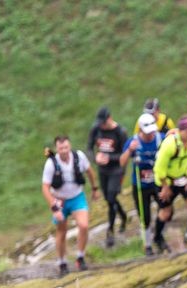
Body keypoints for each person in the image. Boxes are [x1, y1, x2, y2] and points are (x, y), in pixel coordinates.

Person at [41, 135, 99, 274]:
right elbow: (45, 187)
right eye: (61, 148)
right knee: (62, 230)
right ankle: (62, 262)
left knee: (84, 225)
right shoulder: (51, 163)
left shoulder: (79, 157)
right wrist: (54, 207)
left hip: (77, 197)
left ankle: (80, 256)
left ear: (70, 146)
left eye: (66, 147)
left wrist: (94, 188)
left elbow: (90, 172)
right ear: (57, 148)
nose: (64, 151)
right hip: (60, 200)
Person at [152, 116, 187, 251]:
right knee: (166, 212)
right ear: (180, 131)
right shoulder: (169, 145)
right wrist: (165, 187)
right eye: (186, 131)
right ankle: (157, 237)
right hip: (166, 180)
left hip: (183, 177)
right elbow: (159, 169)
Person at [120, 114, 164, 256]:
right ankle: (148, 245)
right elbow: (122, 162)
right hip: (140, 186)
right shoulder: (133, 141)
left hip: (158, 182)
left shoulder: (160, 138)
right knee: (145, 217)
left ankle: (159, 237)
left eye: (152, 131)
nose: (151, 134)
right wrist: (130, 150)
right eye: (148, 132)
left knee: (165, 209)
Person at [87, 106, 128, 247]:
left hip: (116, 170)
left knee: (111, 198)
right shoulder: (96, 129)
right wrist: (95, 158)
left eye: (103, 123)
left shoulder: (120, 132)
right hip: (103, 170)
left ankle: (110, 232)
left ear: (109, 118)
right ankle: (123, 215)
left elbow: (125, 155)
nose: (102, 126)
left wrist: (109, 158)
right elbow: (89, 148)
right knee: (109, 199)